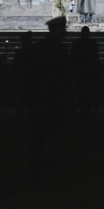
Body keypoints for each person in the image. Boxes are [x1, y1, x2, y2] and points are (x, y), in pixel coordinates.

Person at [31, 17, 71, 182]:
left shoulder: (40, 48)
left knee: (41, 136)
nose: (66, 32)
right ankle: (53, 170)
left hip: (41, 99)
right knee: (55, 137)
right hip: (54, 99)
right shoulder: (59, 50)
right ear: (57, 30)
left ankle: (39, 169)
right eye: (63, 29)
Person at [70, 25, 101, 121]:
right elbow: (96, 59)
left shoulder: (76, 43)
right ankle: (87, 114)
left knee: (81, 95)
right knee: (88, 95)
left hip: (80, 74)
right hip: (89, 74)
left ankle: (82, 114)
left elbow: (72, 59)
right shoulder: (92, 44)